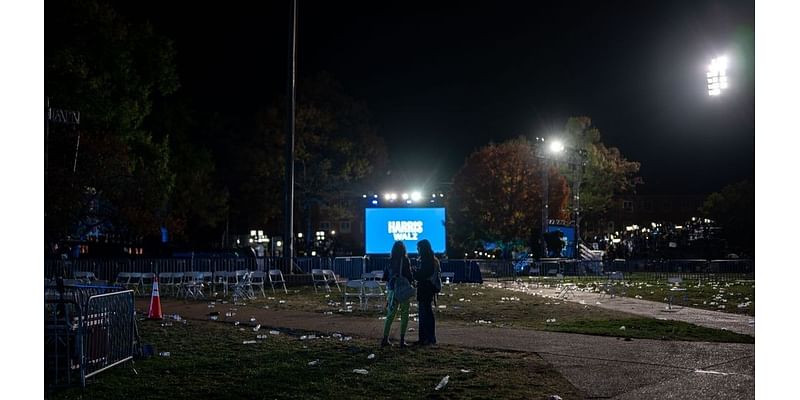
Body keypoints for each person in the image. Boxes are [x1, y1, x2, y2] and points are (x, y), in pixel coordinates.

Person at [381, 241, 413, 348]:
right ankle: (402, 340)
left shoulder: (389, 261)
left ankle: (385, 338)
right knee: (404, 314)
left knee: (390, 315)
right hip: (403, 290)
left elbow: (385, 277)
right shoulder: (405, 260)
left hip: (392, 290)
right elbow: (409, 275)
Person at [413, 239, 439, 346]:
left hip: (425, 290)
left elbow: (423, 275)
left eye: (418, 248)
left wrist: (415, 272)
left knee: (425, 314)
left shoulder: (427, 261)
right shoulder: (432, 260)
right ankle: (425, 338)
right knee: (426, 313)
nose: (417, 250)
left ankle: (427, 338)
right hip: (428, 290)